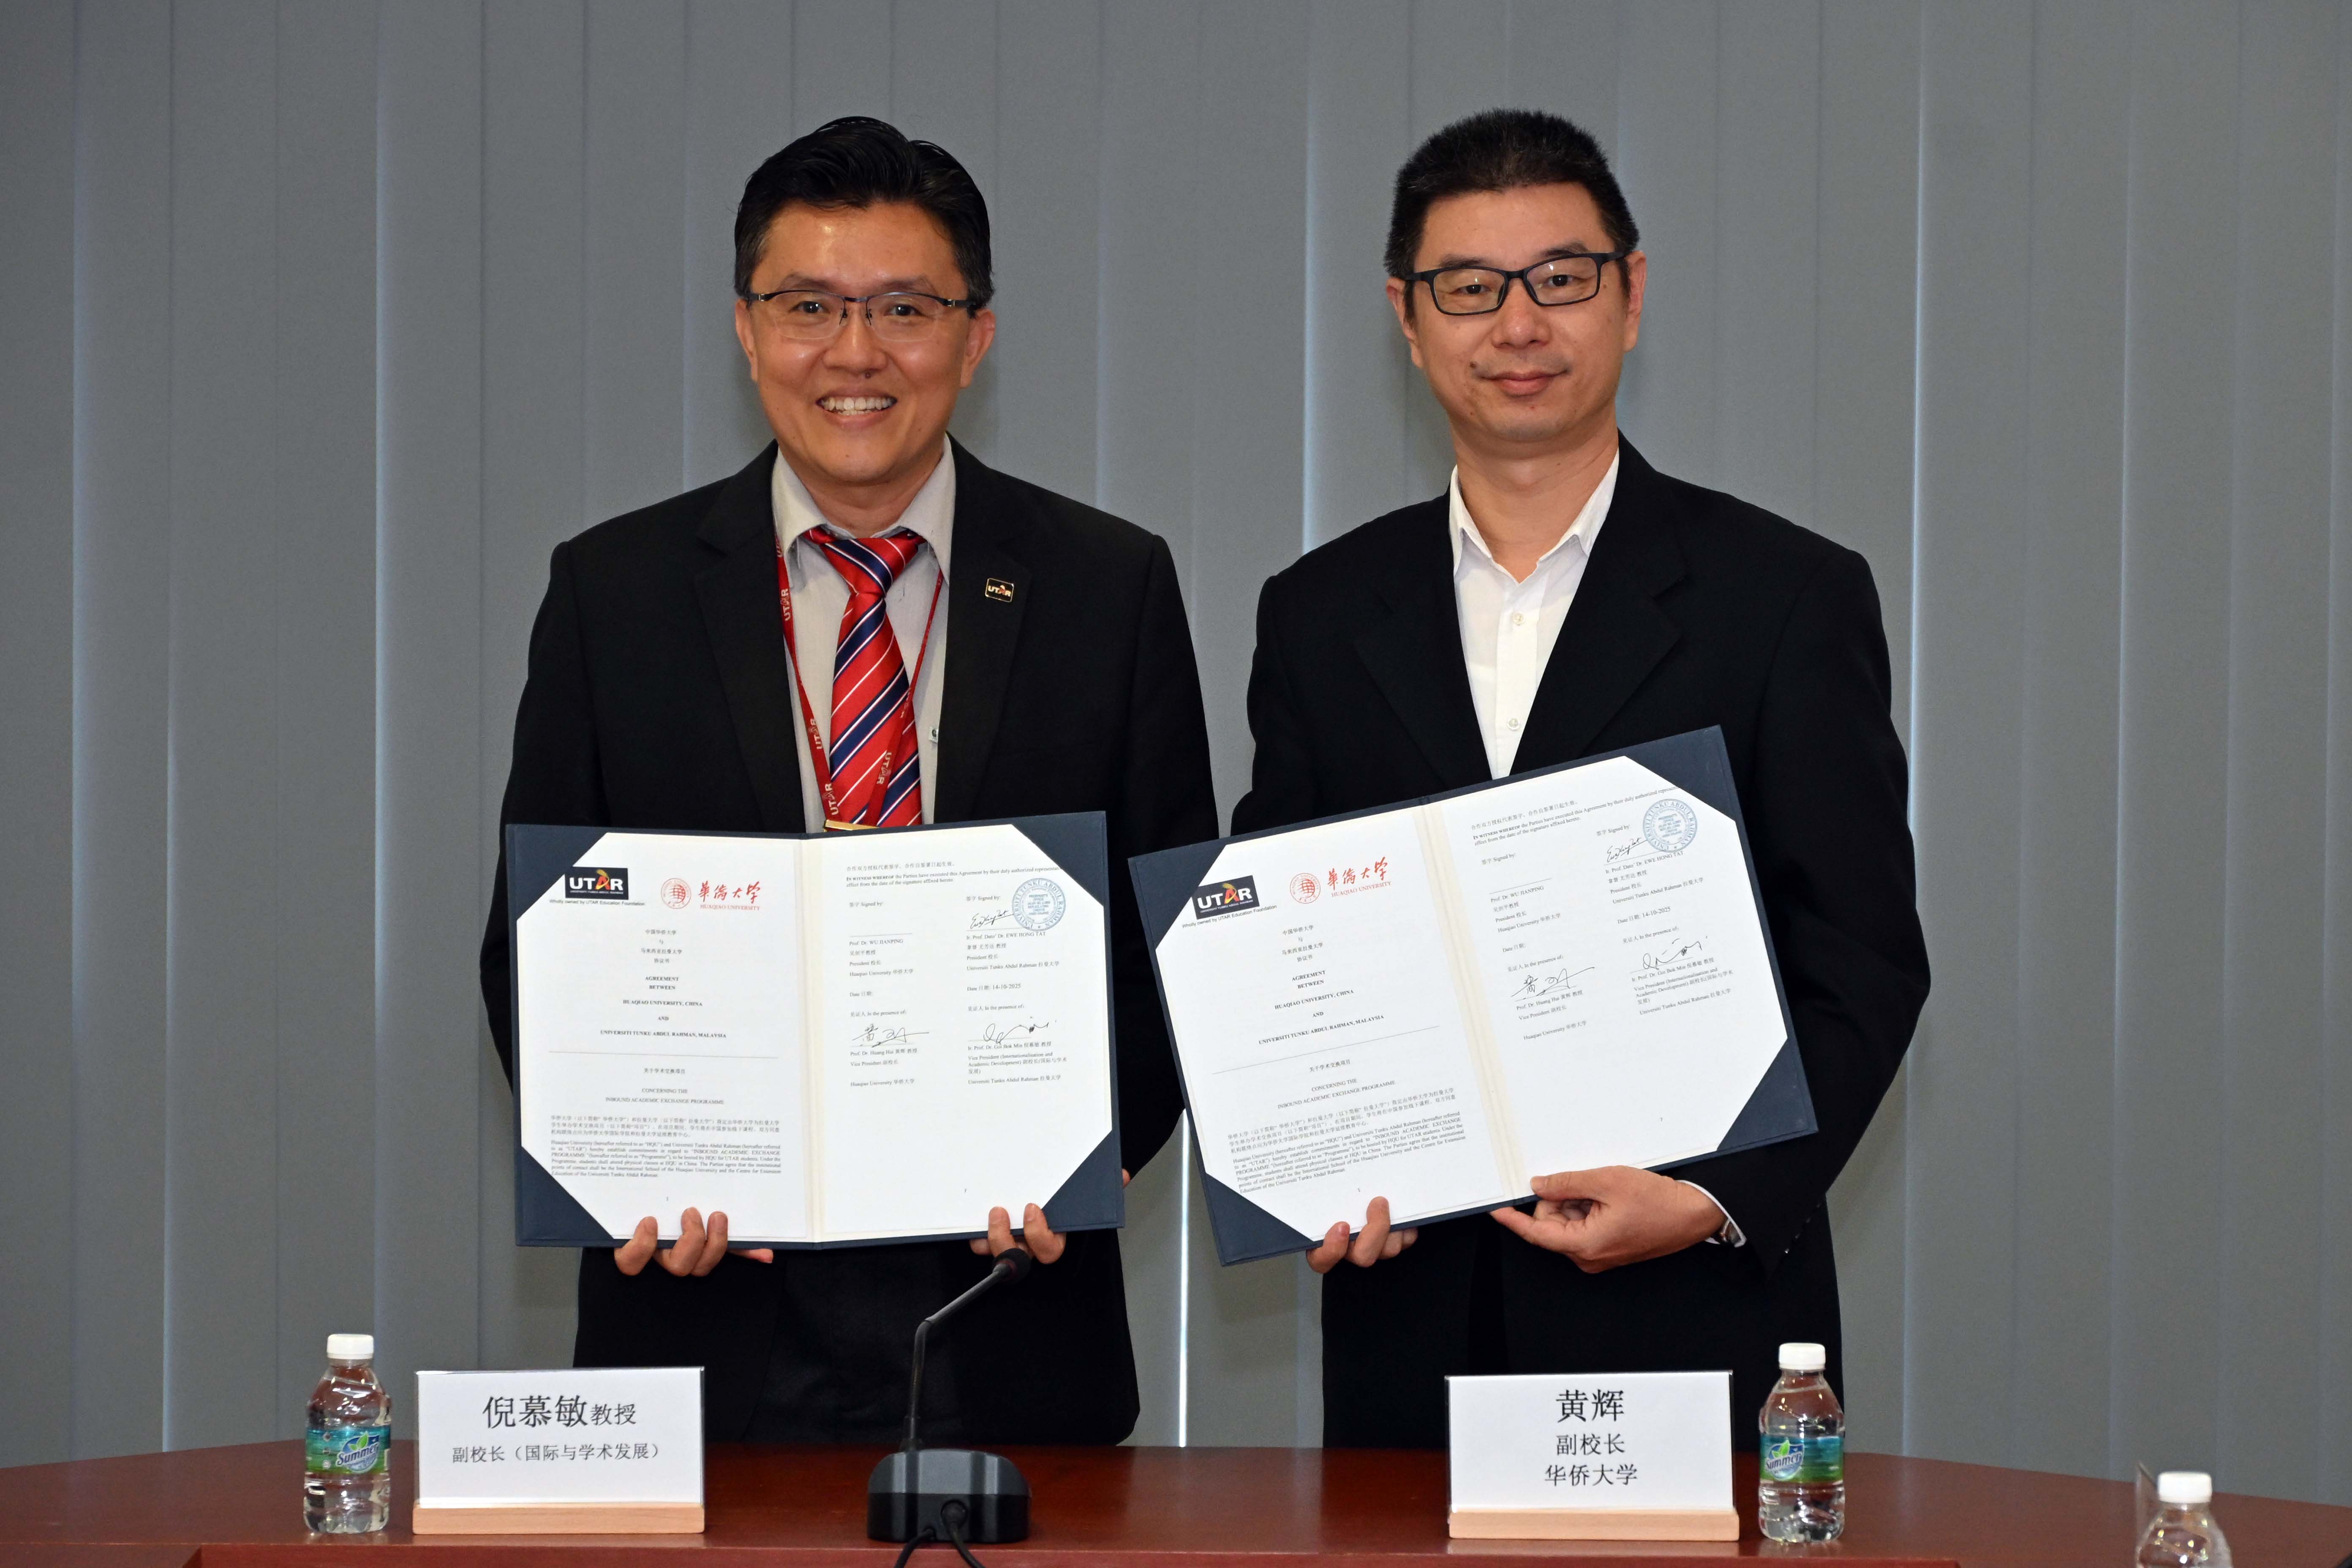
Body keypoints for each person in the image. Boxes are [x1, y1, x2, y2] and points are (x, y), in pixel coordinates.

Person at [480, 117, 1217, 1444]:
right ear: (748, 330)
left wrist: (1091, 1159)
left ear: (976, 336)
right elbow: (534, 947)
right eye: (810, 306)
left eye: (905, 309)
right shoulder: (615, 592)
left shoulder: (1109, 586)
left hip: (1011, 1314)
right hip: (703, 1324)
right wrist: (626, 1174)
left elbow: (1174, 938)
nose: (857, 354)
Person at [1231, 109, 1929, 1447]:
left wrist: (1718, 1198)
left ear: (1632, 291)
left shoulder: (1784, 597)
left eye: (1562, 278)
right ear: (1407, 314)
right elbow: (1287, 941)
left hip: (1695, 1331)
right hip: (1411, 1327)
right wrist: (1314, 1162)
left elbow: (1865, 961)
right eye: (1470, 288)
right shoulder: (1320, 613)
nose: (1519, 325)